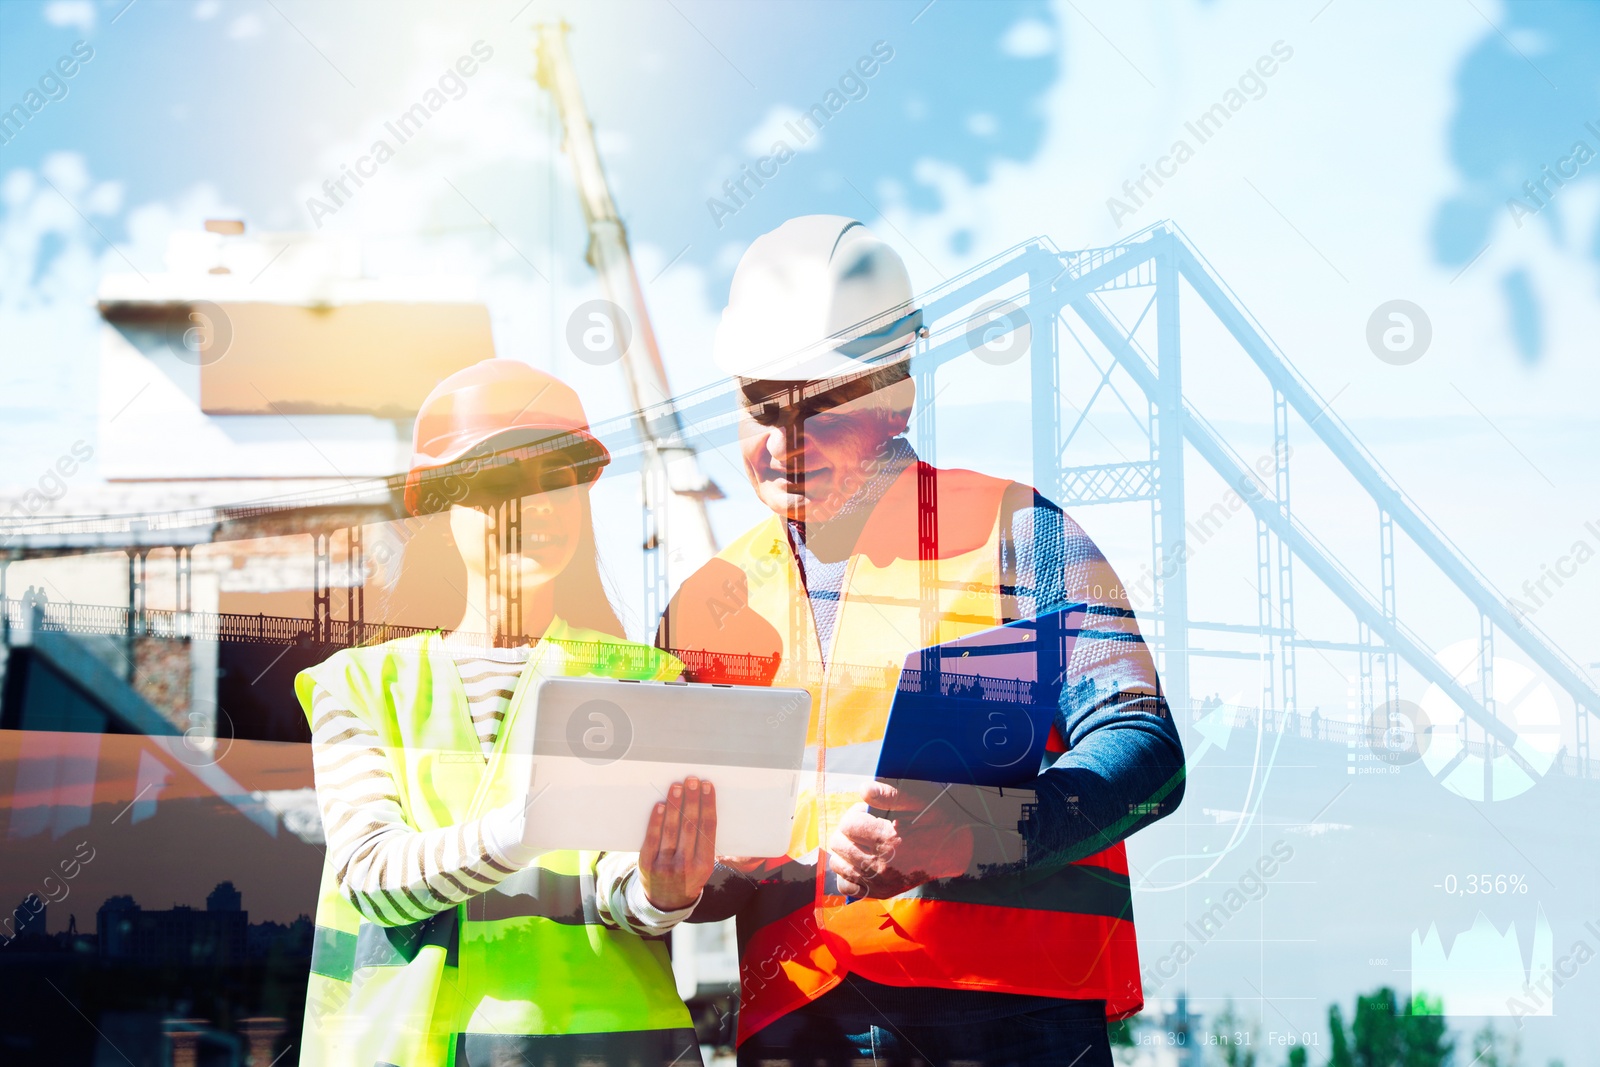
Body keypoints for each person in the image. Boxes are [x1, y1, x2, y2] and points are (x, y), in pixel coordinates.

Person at [657, 217, 1187, 1066]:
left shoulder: (1019, 532)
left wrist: (985, 836)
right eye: (763, 404)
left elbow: (1145, 750)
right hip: (798, 1023)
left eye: (825, 407)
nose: (786, 442)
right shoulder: (704, 608)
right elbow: (684, 866)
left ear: (898, 394)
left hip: (1007, 1019)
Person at [298, 359, 718, 1066]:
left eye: (558, 476)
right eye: (498, 482)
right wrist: (528, 827)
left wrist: (661, 889)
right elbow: (371, 872)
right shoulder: (357, 685)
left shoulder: (640, 677)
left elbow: (619, 891)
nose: (536, 506)